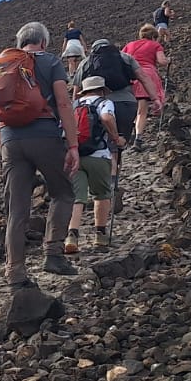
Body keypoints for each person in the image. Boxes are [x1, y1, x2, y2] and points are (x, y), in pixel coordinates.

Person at [0, 22, 80, 287]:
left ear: (20, 42)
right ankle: (53, 255)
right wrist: (73, 145)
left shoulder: (2, 65)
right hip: (44, 135)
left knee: (16, 208)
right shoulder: (50, 61)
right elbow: (63, 102)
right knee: (63, 192)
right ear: (43, 42)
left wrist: (4, 149)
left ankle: (15, 272)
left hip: (10, 140)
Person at [76, 39, 150, 215]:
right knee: (117, 147)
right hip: (126, 104)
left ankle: (103, 188)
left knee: (103, 144)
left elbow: (76, 88)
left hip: (95, 107)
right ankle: (113, 185)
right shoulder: (124, 57)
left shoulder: (86, 62)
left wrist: (76, 107)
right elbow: (143, 77)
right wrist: (154, 98)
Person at [65, 76, 125, 254]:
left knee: (77, 197)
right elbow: (106, 118)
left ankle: (72, 236)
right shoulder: (104, 103)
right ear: (102, 90)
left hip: (75, 155)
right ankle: (100, 235)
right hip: (99, 155)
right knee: (101, 194)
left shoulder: (73, 105)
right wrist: (116, 138)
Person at [122, 24, 169, 145]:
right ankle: (138, 139)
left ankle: (129, 134)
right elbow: (162, 61)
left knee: (131, 108)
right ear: (153, 36)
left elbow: (121, 60)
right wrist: (168, 60)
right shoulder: (155, 45)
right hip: (146, 77)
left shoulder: (130, 45)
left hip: (129, 78)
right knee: (142, 111)